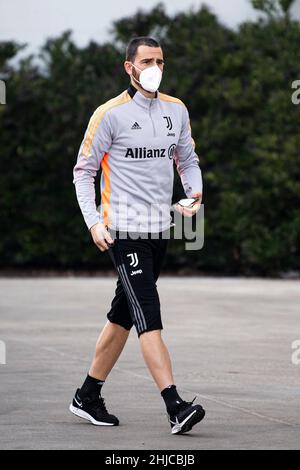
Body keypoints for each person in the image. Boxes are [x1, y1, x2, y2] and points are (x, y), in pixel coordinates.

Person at [70, 36, 205, 434]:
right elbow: (84, 172)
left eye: (160, 60)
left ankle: (87, 396)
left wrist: (193, 194)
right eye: (146, 60)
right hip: (123, 232)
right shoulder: (109, 114)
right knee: (148, 313)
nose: (154, 67)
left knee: (123, 314)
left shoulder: (175, 110)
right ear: (128, 67)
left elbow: (188, 159)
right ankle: (175, 405)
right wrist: (94, 221)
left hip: (160, 231)